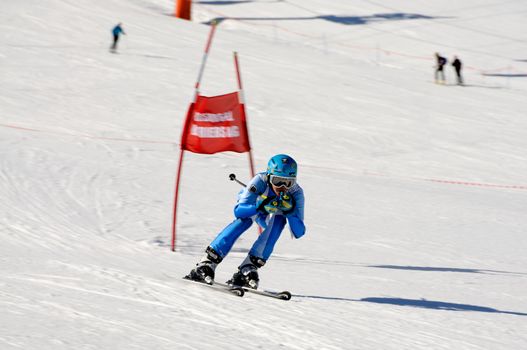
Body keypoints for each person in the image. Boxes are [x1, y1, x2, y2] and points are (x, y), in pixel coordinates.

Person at [185, 154, 306, 289]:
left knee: (279, 222)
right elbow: (238, 211)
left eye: (288, 182)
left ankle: (248, 267)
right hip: (254, 205)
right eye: (278, 181)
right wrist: (260, 205)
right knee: (245, 221)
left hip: (270, 213)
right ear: (269, 176)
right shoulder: (260, 180)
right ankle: (208, 262)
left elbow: (299, 232)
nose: (282, 187)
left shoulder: (296, 193)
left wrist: (290, 212)